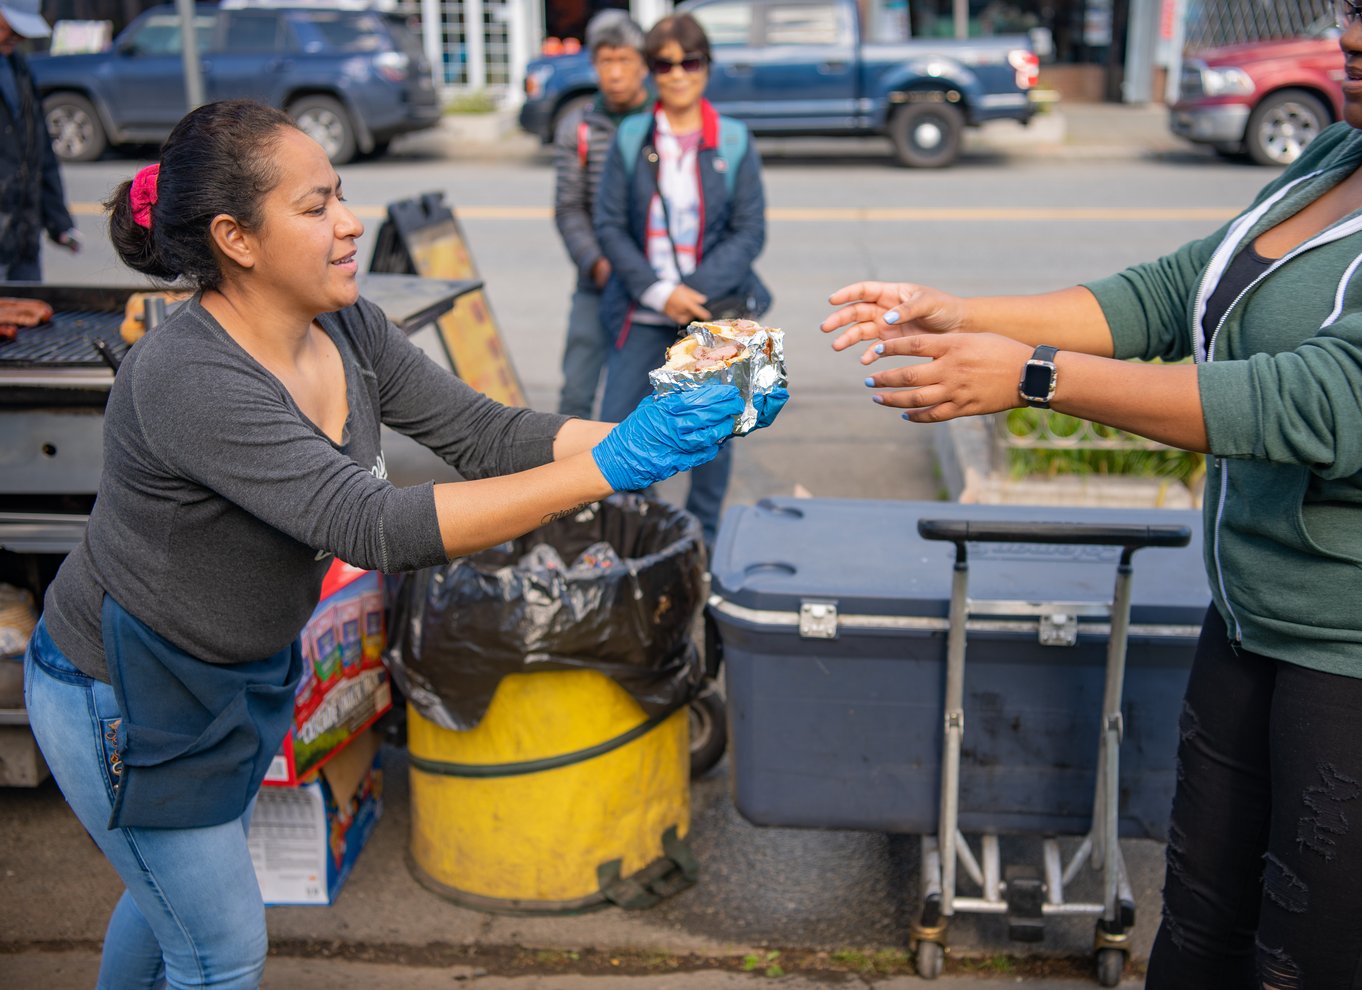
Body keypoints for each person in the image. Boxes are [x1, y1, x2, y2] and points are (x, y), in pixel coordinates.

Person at [22, 98, 782, 990]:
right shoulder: (189, 374)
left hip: (231, 679)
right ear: (235, 238)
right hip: (125, 692)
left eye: (340, 196)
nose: (350, 225)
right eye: (315, 209)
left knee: (163, 909)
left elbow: (486, 434)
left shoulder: (344, 324)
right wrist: (617, 463)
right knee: (219, 949)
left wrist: (668, 422)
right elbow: (373, 525)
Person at [820, 7, 1362, 985]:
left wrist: (1034, 376)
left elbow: (1318, 402)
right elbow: (1175, 293)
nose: (1351, 36)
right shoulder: (1335, 152)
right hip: (1248, 624)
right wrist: (962, 311)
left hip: (1347, 659)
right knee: (1196, 931)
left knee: (1305, 959)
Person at [595, 12, 770, 547]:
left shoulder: (734, 141)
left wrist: (690, 292)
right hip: (640, 312)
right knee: (618, 436)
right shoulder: (631, 137)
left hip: (711, 317)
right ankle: (640, 543)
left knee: (713, 435)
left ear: (705, 67)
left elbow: (748, 231)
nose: (676, 74)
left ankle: (702, 548)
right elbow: (608, 223)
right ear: (652, 71)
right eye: (663, 63)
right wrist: (659, 292)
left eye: (688, 61)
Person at [552, 9, 650, 419]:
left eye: (624, 60)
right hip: (598, 279)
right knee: (577, 389)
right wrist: (597, 262)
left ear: (643, 65)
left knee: (645, 394)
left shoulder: (663, 122)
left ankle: (638, 483)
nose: (615, 73)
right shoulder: (579, 127)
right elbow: (569, 207)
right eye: (605, 62)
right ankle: (565, 479)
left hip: (653, 282)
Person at [0, 0, 79, 280]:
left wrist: (58, 221)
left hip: (22, 237)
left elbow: (40, 149)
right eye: (12, 26)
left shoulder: (17, 66)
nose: (18, 37)